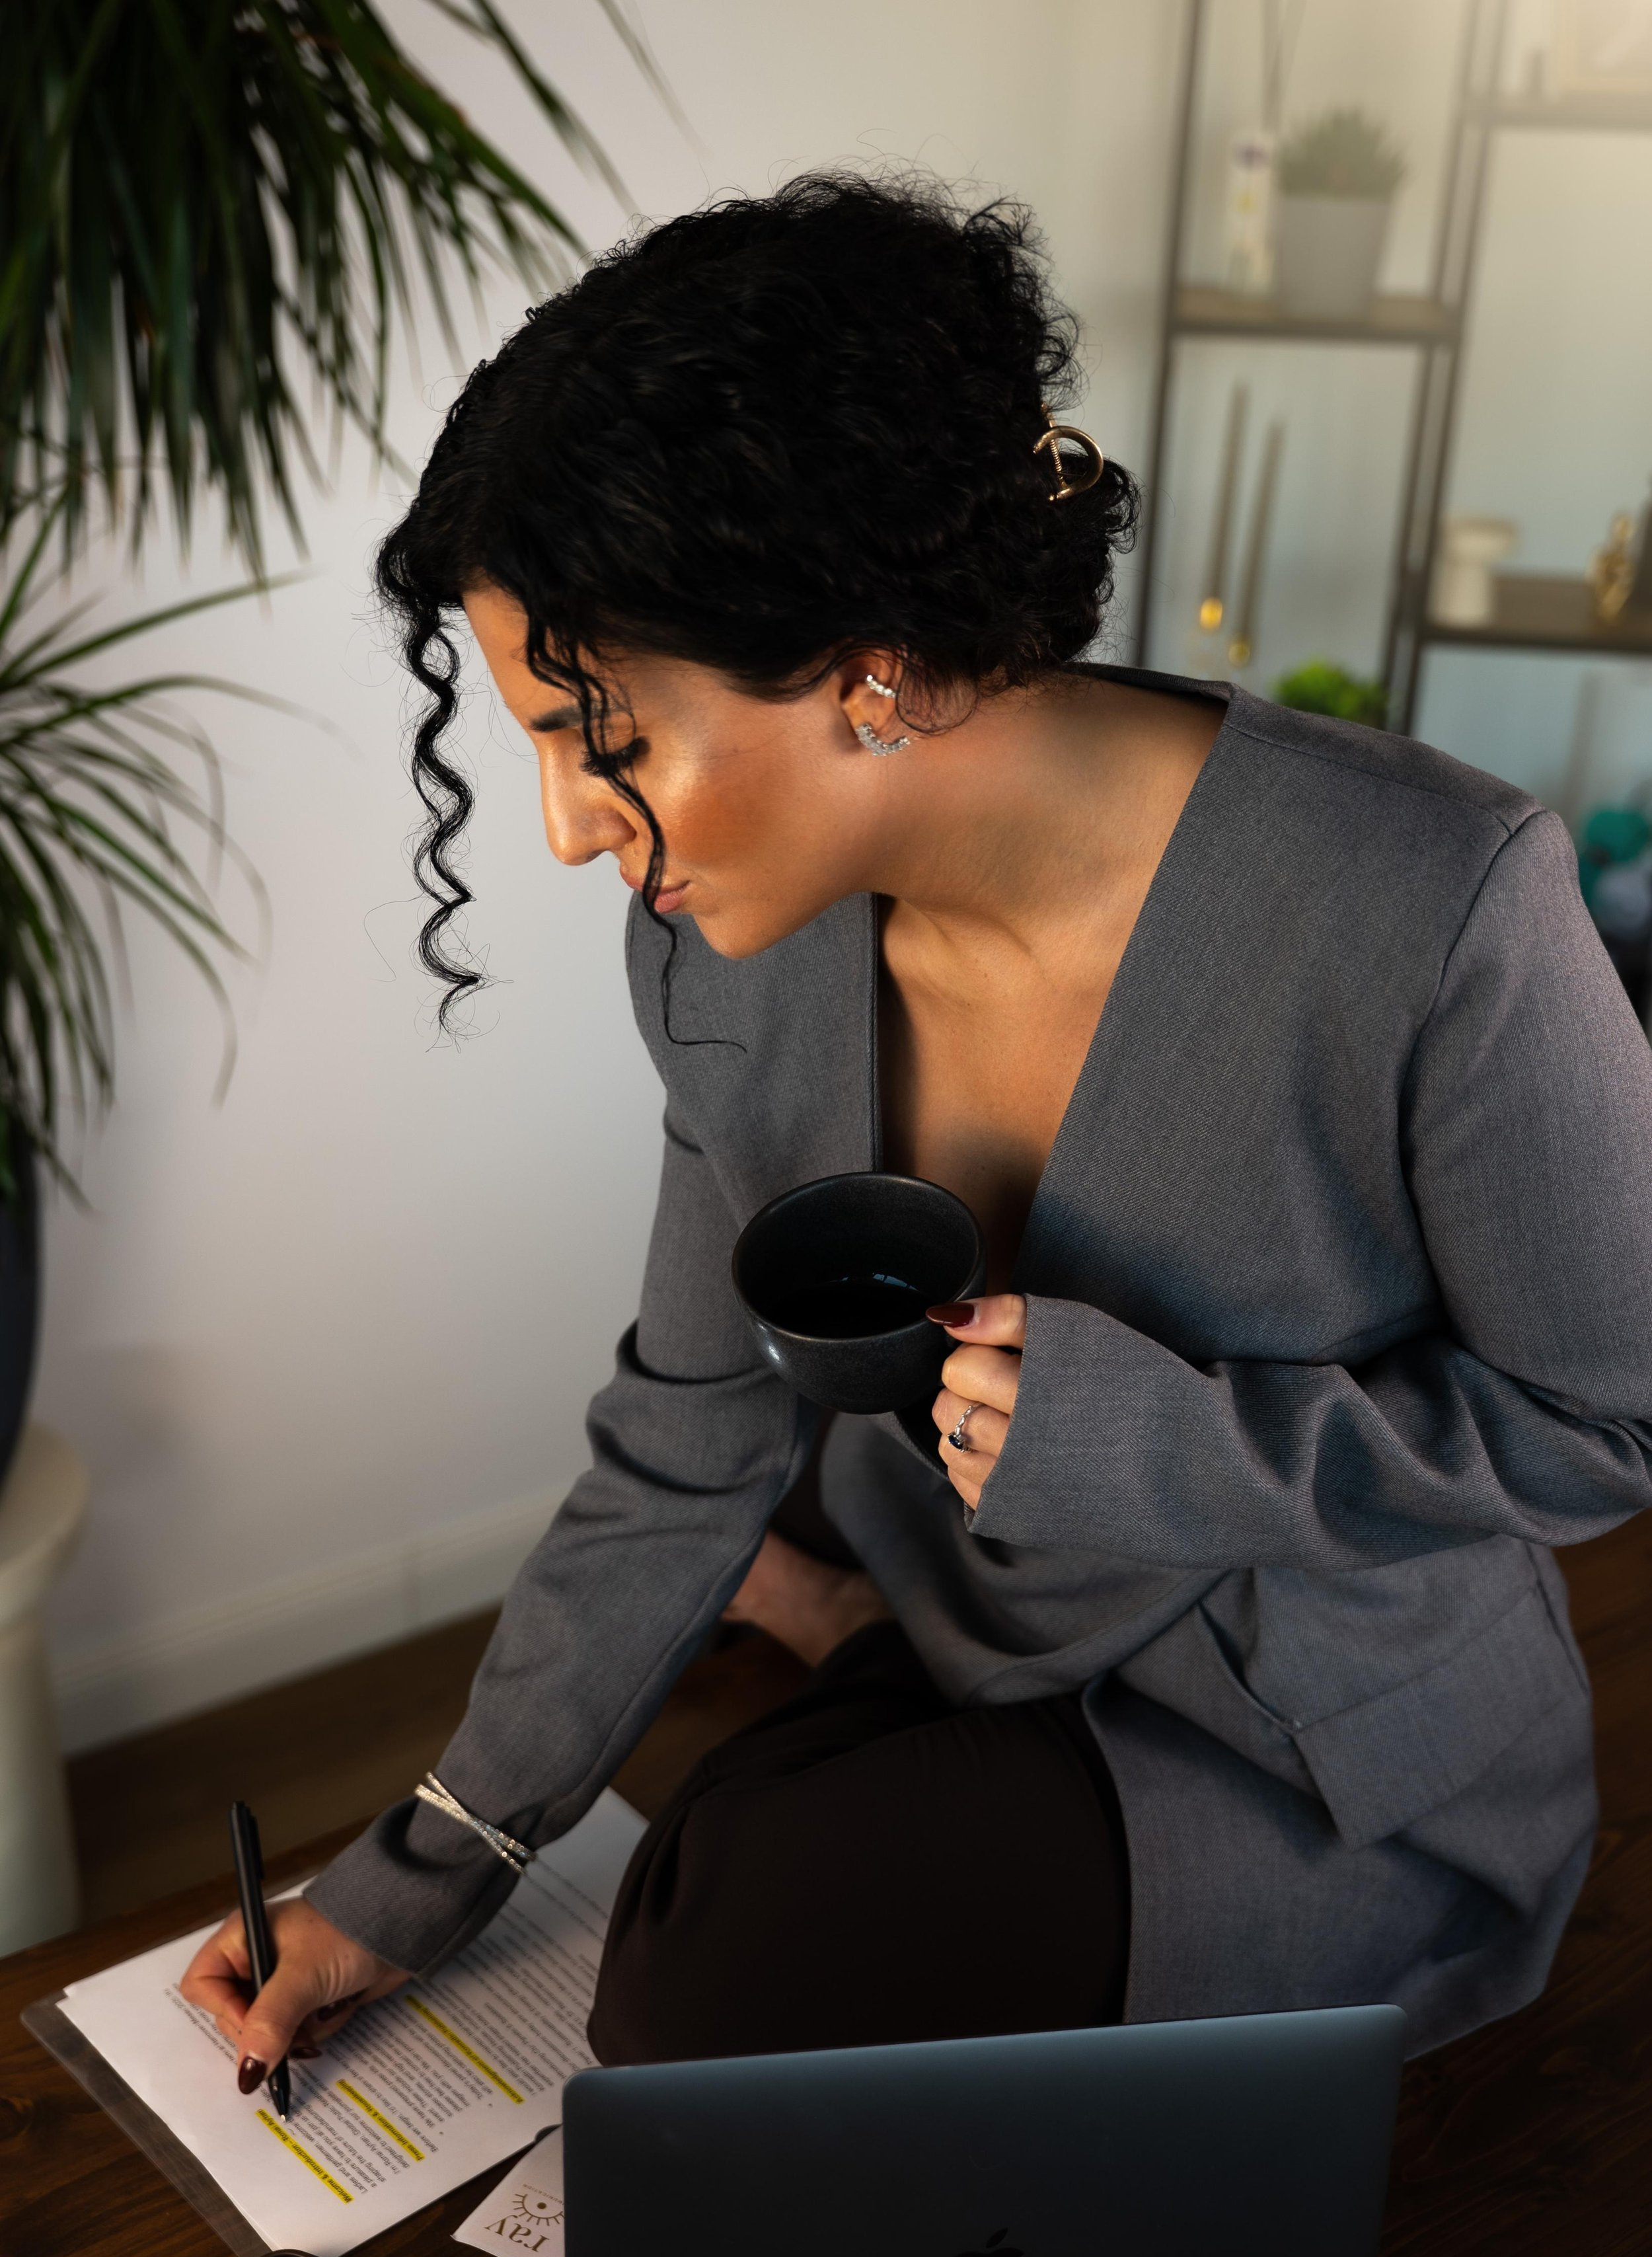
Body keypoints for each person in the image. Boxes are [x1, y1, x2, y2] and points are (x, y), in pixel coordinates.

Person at [184, 173, 1652, 2090]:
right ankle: (846, 1639)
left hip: (1317, 1736)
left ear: (867, 663)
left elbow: (1606, 1416)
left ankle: (843, 1654)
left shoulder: (1432, 900)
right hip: (965, 1622)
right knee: (709, 1931)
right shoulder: (717, 956)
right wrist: (418, 1871)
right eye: (535, 739)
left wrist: (1169, 1447)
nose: (561, 826)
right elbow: (685, 1438)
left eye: (599, 731)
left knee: (718, 1987)